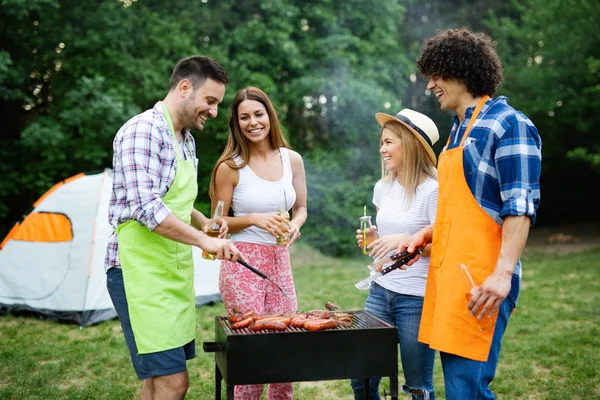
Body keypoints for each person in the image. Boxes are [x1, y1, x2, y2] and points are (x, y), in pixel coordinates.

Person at [401, 28, 542, 399]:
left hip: (483, 282)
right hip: (451, 280)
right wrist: (428, 234)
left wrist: (502, 275)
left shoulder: (509, 125)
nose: (431, 85)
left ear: (460, 72)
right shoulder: (458, 130)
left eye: (436, 75)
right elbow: (465, 209)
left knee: (468, 390)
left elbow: (519, 208)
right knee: (459, 387)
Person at [105, 56, 243, 400]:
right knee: (173, 382)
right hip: (138, 273)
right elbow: (145, 207)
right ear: (185, 87)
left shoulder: (186, 140)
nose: (213, 112)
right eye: (209, 101)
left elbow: (174, 200)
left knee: (156, 381)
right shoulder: (143, 131)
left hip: (171, 271)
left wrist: (203, 222)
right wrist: (203, 242)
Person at [209, 86, 307, 400]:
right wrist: (252, 218)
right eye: (244, 117)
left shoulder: (292, 160)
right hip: (242, 263)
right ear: (236, 124)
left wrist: (295, 225)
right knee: (252, 350)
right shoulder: (230, 167)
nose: (253, 122)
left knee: (285, 347)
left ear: (269, 116)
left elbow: (302, 208)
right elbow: (215, 225)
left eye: (258, 114)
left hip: (280, 261)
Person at [351, 109, 439, 400]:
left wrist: (406, 241)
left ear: (410, 145)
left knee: (417, 386)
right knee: (362, 377)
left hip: (417, 298)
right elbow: (388, 237)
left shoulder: (434, 191)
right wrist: (375, 241)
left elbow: (442, 247)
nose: (382, 149)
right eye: (382, 143)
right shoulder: (383, 188)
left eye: (388, 142)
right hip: (380, 290)